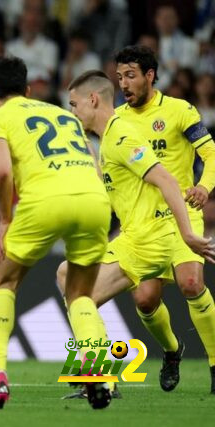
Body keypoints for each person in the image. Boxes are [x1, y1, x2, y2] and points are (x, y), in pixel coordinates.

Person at [59, 70, 215, 401]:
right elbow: (116, 189)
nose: (72, 112)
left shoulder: (121, 137)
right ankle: (98, 374)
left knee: (80, 294)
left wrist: (186, 233)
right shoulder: (107, 140)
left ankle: (98, 377)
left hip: (151, 239)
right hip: (134, 237)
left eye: (73, 104)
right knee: (67, 278)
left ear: (93, 99)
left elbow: (167, 181)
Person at [0, 57, 112, 410]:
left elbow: (3, 172)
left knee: (4, 283)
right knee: (81, 294)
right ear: (27, 90)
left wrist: (5, 220)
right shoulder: (65, 115)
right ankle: (96, 369)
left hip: (44, 201)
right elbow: (96, 167)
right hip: (94, 200)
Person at [113, 46, 215, 394]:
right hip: (142, 225)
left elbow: (210, 151)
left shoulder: (179, 110)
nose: (124, 84)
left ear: (149, 76)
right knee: (145, 300)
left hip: (181, 217)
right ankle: (173, 351)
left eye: (130, 75)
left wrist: (204, 185)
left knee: (190, 283)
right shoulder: (116, 121)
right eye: (120, 77)